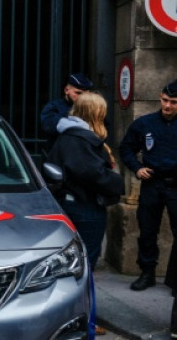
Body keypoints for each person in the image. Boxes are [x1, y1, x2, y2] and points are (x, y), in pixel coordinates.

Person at [49, 92, 124, 268]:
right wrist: (117, 182)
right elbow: (91, 173)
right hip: (85, 206)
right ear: (95, 114)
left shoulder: (69, 135)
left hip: (73, 203)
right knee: (84, 262)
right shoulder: (80, 139)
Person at [120, 79, 177, 293]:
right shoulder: (145, 124)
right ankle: (147, 273)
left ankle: (174, 280)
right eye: (164, 100)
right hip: (152, 183)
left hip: (176, 186)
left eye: (173, 102)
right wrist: (136, 168)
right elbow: (126, 149)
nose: (167, 106)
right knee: (147, 231)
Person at [41, 73, 94, 152]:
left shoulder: (92, 108)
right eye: (78, 93)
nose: (81, 97)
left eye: (85, 94)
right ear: (66, 90)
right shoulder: (53, 107)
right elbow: (49, 125)